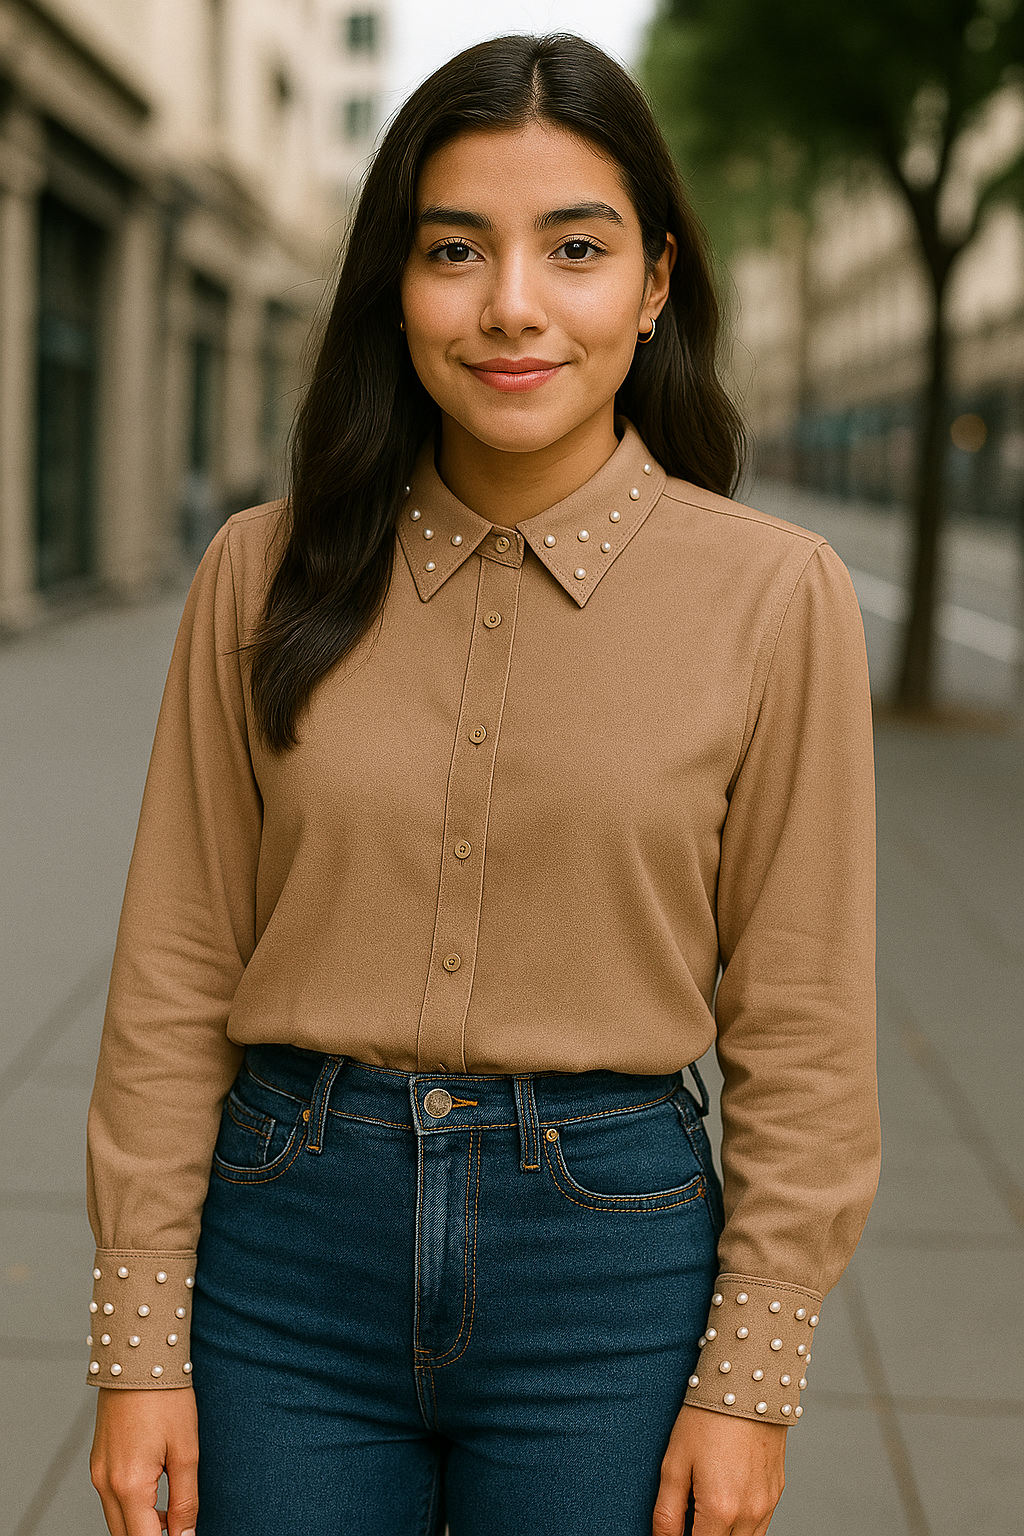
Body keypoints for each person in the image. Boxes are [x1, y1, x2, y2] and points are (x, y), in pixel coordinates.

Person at [85, 32, 879, 1536]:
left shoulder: (777, 598)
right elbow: (177, 971)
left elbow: (807, 1026)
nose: (512, 303)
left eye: (573, 249)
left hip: (613, 1275)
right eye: (456, 249)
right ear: (397, 282)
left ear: (652, 287)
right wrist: (137, 1340)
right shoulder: (261, 571)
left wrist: (751, 1379)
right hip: (281, 1257)